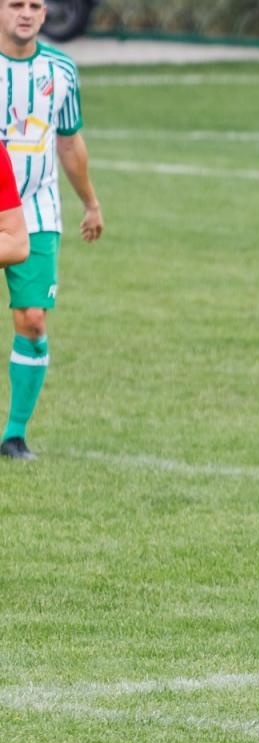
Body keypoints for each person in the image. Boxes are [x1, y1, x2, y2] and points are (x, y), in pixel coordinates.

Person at [0, 0, 101, 462]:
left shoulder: (61, 70)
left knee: (34, 320)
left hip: (38, 211)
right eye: (15, 4)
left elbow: (69, 140)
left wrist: (90, 202)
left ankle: (14, 436)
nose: (25, 13)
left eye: (35, 5)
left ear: (46, 14)